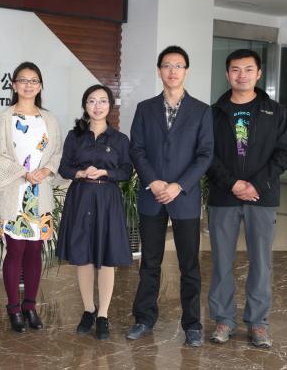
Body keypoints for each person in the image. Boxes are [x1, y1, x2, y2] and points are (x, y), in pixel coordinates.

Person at [126, 45, 213, 347]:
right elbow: (136, 149)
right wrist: (154, 182)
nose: (172, 71)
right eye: (167, 65)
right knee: (150, 262)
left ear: (186, 71)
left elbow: (205, 154)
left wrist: (178, 185)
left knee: (190, 265)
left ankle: (192, 324)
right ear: (159, 70)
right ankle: (144, 318)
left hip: (184, 198)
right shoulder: (145, 108)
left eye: (178, 65)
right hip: (152, 196)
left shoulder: (201, 110)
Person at [207, 49, 287, 348]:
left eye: (247, 69)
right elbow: (207, 154)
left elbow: (284, 154)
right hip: (223, 196)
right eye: (235, 69)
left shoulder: (275, 111)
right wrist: (232, 183)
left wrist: (255, 184)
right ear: (227, 74)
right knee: (221, 261)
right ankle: (223, 320)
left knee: (261, 262)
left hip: (262, 196)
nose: (241, 75)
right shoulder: (214, 112)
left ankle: (258, 323)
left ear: (258, 74)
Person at [0, 61, 62, 333]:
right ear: (14, 85)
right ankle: (13, 309)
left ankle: (30, 306)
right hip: (15, 192)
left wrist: (45, 170)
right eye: (23, 80)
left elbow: (57, 152)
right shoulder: (4, 119)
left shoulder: (49, 120)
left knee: (34, 251)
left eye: (34, 81)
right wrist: (23, 173)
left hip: (39, 193)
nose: (28, 85)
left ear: (40, 86)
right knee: (15, 251)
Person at [56, 84, 133, 341]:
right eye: (91, 101)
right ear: (85, 105)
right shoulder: (74, 136)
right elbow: (64, 168)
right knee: (83, 256)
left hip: (107, 199)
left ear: (110, 105)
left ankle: (103, 315)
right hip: (80, 198)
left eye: (102, 101)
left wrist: (106, 172)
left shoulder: (120, 139)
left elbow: (126, 171)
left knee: (106, 257)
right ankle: (88, 310)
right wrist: (80, 172)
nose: (97, 106)